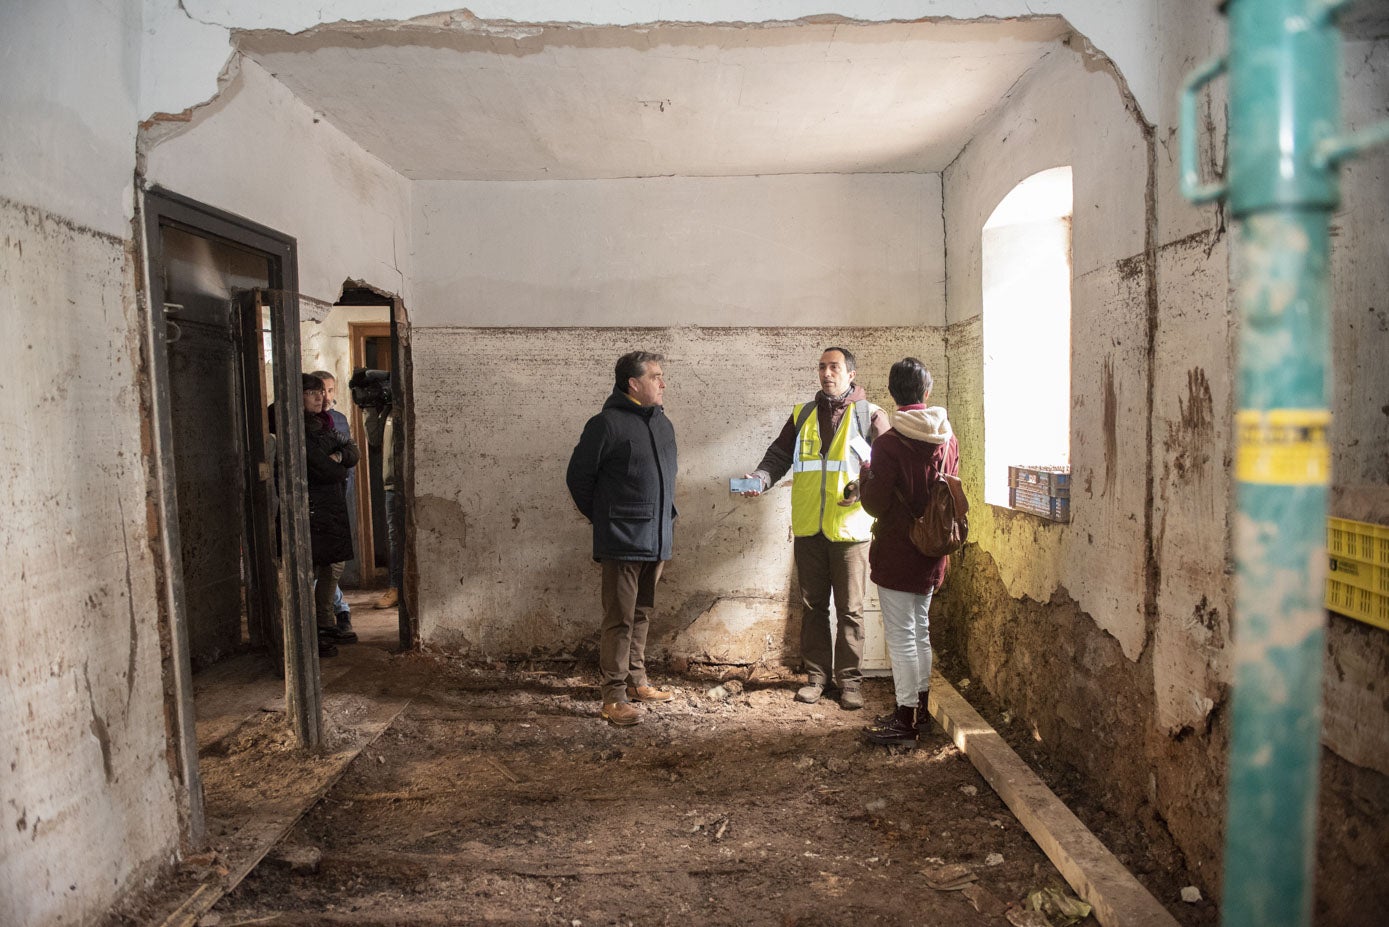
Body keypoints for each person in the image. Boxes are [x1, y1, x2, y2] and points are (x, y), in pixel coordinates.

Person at [739, 347, 888, 710]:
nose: (826, 373)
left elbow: (888, 465)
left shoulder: (871, 415)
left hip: (850, 532)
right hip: (809, 529)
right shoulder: (804, 414)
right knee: (813, 607)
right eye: (822, 367)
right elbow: (778, 455)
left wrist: (862, 489)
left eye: (834, 367)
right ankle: (817, 677)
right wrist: (760, 478)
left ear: (851, 374)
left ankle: (850, 682)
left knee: (851, 610)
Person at [566, 351, 678, 727]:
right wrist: (607, 522)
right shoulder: (606, 424)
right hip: (622, 540)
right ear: (633, 384)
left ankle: (636, 680)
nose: (663, 383)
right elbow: (579, 480)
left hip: (656, 537)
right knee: (619, 618)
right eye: (656, 377)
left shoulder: (663, 425)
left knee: (642, 612)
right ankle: (613, 696)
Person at [857, 358, 959, 746]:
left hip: (899, 550)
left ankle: (905, 722)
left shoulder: (888, 444)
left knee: (901, 636)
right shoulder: (948, 438)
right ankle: (918, 708)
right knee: (921, 630)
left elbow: (876, 504)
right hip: (934, 549)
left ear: (894, 394)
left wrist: (867, 473)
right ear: (927, 392)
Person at [302, 374, 361, 654]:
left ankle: (325, 624)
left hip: (330, 506)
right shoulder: (297, 427)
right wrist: (338, 466)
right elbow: (323, 470)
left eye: (321, 392)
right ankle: (310, 632)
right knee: (309, 569)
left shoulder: (325, 423)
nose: (320, 397)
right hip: (310, 509)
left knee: (332, 566)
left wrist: (338, 459)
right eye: (312, 392)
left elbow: (352, 451)